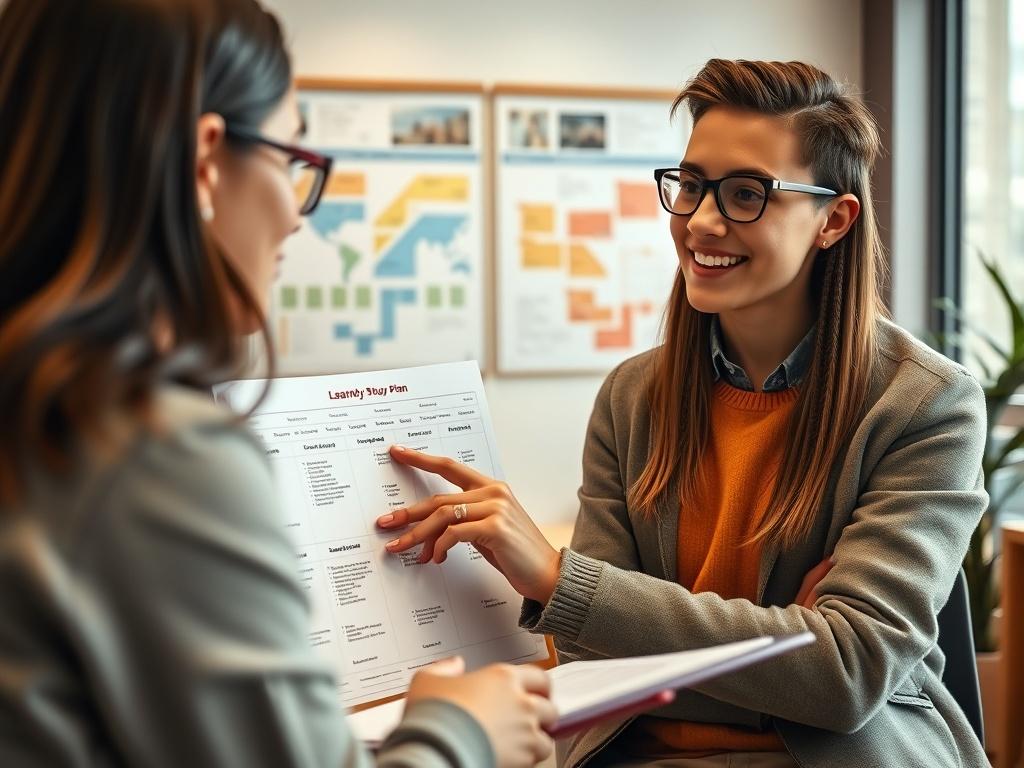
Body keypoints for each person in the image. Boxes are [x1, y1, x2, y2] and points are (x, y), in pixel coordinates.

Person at [378, 59, 990, 767]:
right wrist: (781, 645)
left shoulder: (924, 404)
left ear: (833, 219)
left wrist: (568, 585)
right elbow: (592, 662)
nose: (701, 221)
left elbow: (846, 676)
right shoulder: (631, 398)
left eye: (745, 194)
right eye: (692, 186)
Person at [0, 1, 556, 766]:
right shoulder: (150, 452)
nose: (298, 219)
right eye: (291, 161)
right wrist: (462, 730)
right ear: (204, 162)